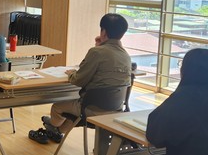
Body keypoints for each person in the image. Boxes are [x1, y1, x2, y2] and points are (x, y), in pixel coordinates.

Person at [29, 13, 132, 144]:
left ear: (104, 32)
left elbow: (79, 80)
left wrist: (72, 73)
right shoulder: (126, 56)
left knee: (57, 107)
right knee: (73, 112)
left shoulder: (97, 52)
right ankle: (56, 131)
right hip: (115, 108)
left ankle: (52, 127)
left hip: (92, 108)